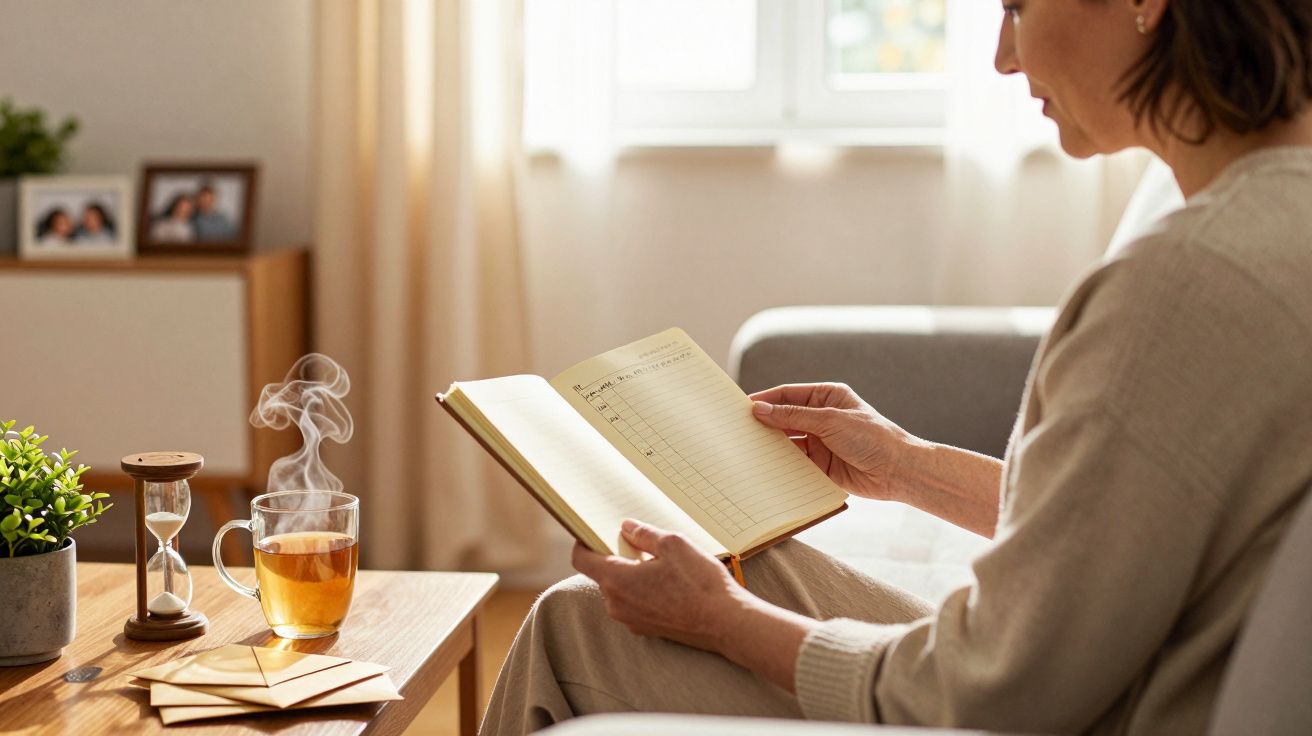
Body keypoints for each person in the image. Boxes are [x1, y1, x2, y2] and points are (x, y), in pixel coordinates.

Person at [482, 1, 1312, 734]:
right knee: (743, 567)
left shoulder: (1178, 286)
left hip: (1065, 713)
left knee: (578, 625)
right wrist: (907, 466)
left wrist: (721, 619)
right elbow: (1122, 527)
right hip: (1101, 682)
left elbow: (995, 691)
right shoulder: (1275, 226)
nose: (1004, 57)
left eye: (1017, 8)